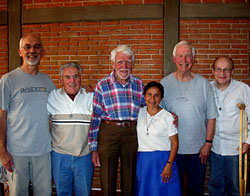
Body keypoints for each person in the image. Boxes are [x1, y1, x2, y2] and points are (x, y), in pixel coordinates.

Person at [160, 40, 218, 196]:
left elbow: (211, 117)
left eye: (187, 56)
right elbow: (157, 114)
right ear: (174, 59)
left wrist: (208, 143)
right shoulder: (164, 84)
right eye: (180, 56)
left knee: (196, 189)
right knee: (173, 190)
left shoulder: (203, 84)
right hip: (172, 149)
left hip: (198, 150)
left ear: (193, 58)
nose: (183, 60)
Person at [0, 33, 55, 195]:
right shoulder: (8, 80)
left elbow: (60, 106)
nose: (32, 50)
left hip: (43, 151)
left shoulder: (47, 81)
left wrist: (83, 90)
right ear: (20, 52)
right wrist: (3, 151)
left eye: (37, 46)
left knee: (45, 193)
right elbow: (1, 118)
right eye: (28, 47)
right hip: (16, 152)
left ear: (42, 52)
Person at [88, 45, 145, 196]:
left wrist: (167, 115)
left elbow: (149, 110)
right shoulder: (102, 85)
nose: (124, 66)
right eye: (120, 62)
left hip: (132, 133)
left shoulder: (139, 84)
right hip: (109, 132)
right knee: (107, 175)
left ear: (133, 64)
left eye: (128, 62)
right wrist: (93, 147)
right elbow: (95, 117)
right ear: (112, 64)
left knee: (130, 176)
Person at [47, 62, 94, 196]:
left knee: (84, 193)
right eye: (67, 77)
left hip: (84, 157)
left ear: (81, 78)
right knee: (62, 192)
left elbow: (98, 125)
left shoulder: (91, 96)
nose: (72, 81)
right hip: (59, 156)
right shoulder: (51, 97)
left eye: (76, 77)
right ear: (61, 80)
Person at [208, 56, 250, 196]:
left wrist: (248, 142)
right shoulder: (207, 88)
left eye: (226, 70)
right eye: (218, 69)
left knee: (235, 188)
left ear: (232, 72)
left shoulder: (243, 89)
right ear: (213, 70)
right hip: (215, 147)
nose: (222, 73)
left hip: (236, 148)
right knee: (215, 186)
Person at [135, 81, 181, 196]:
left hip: (162, 161)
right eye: (149, 94)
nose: (152, 98)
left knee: (162, 191)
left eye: (157, 95)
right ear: (144, 96)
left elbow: (175, 143)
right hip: (144, 161)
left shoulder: (167, 116)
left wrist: (169, 164)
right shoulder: (138, 113)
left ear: (161, 98)